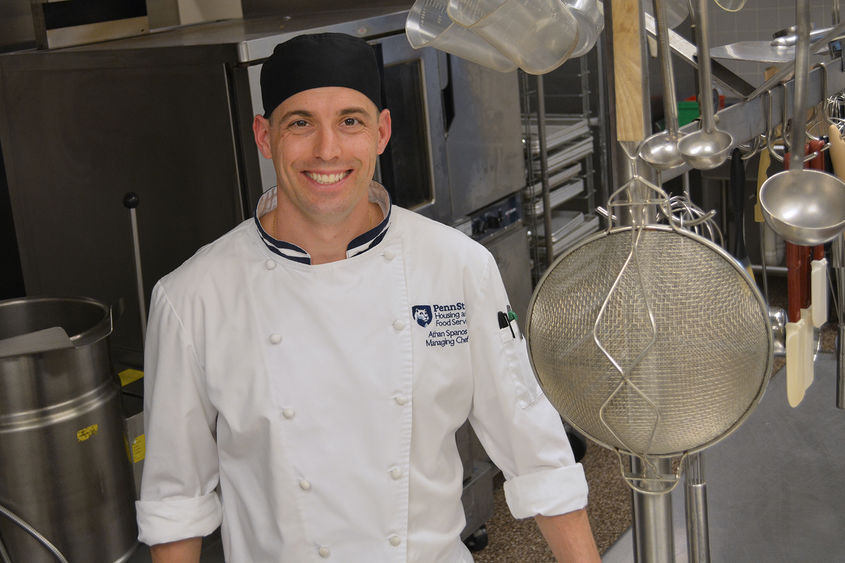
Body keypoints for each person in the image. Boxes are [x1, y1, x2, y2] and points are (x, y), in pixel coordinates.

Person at [136, 32, 600, 562]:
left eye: (350, 122)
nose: (327, 150)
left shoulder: (457, 266)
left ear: (381, 131)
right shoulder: (192, 297)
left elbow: (533, 447)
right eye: (300, 123)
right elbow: (176, 500)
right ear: (265, 138)